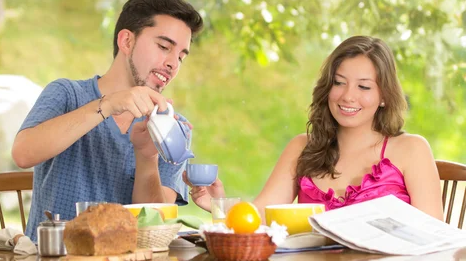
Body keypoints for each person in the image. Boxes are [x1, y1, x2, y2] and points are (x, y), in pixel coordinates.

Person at [13, 0, 203, 241]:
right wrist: (108, 105)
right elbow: (23, 154)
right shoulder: (67, 95)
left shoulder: (172, 131)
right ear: (126, 42)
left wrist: (147, 157)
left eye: (180, 56)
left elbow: (154, 228)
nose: (173, 64)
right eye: (164, 47)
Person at [186, 36, 443, 220]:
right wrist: (216, 204)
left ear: (384, 96)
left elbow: (435, 238)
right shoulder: (303, 147)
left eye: (363, 87)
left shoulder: (412, 149)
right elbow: (261, 213)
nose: (348, 96)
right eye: (339, 83)